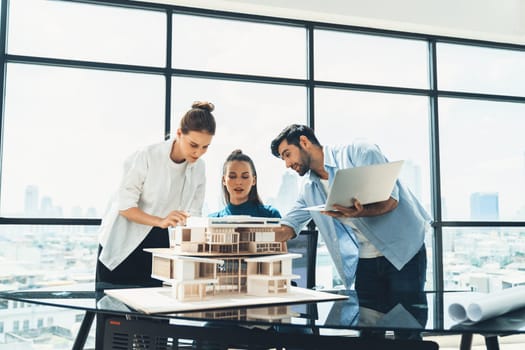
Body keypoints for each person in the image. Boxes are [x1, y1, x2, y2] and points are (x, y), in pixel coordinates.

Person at [95, 101, 216, 349]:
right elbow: (125, 206)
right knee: (116, 334)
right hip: (124, 247)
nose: (198, 153)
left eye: (205, 147)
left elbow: (193, 213)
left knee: (156, 334)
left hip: (160, 249)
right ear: (179, 133)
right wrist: (160, 220)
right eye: (194, 145)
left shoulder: (199, 168)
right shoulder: (147, 156)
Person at [270, 124, 430, 298]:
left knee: (407, 320)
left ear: (304, 142)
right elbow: (288, 226)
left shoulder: (358, 152)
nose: (287, 164)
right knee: (367, 322)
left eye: (287, 154)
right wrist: (247, 238)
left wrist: (358, 212)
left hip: (403, 251)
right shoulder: (309, 189)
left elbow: (391, 201)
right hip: (365, 261)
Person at [209, 149, 281, 218]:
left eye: (245, 177)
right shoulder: (212, 220)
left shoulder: (271, 215)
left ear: (254, 180)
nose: (238, 182)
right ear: (224, 180)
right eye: (232, 176)